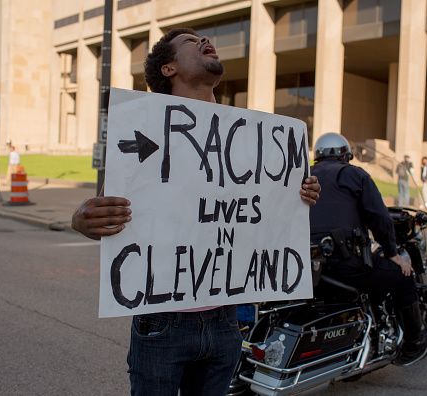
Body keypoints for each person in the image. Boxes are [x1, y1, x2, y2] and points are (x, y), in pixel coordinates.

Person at [71, 28, 321, 396]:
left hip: (225, 321)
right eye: (190, 41)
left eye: (204, 38)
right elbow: (108, 211)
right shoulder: (145, 125)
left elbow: (262, 217)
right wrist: (82, 219)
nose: (205, 40)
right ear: (169, 69)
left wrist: (299, 195)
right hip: (162, 321)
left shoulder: (254, 137)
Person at [309, 132, 427, 363]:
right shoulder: (354, 174)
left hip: (307, 265)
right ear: (346, 155)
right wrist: (393, 253)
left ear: (318, 155)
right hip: (345, 264)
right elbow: (379, 217)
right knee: (402, 276)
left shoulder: (304, 176)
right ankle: (416, 340)